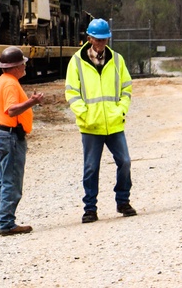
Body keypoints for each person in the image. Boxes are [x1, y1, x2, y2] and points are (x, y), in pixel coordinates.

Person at [65, 18, 136, 224]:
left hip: (114, 123)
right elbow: (71, 92)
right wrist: (84, 114)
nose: (102, 43)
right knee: (91, 168)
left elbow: (126, 88)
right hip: (91, 126)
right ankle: (90, 208)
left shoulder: (117, 60)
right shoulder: (76, 62)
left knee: (124, 162)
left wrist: (120, 111)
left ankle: (123, 201)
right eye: (98, 40)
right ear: (89, 39)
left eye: (105, 39)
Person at [0, 46, 45, 236]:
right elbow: (12, 110)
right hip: (10, 136)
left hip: (0, 134)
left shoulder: (0, 81)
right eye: (22, 63)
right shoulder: (11, 84)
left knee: (2, 180)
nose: (25, 66)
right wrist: (32, 102)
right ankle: (7, 223)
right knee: (11, 180)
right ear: (15, 66)